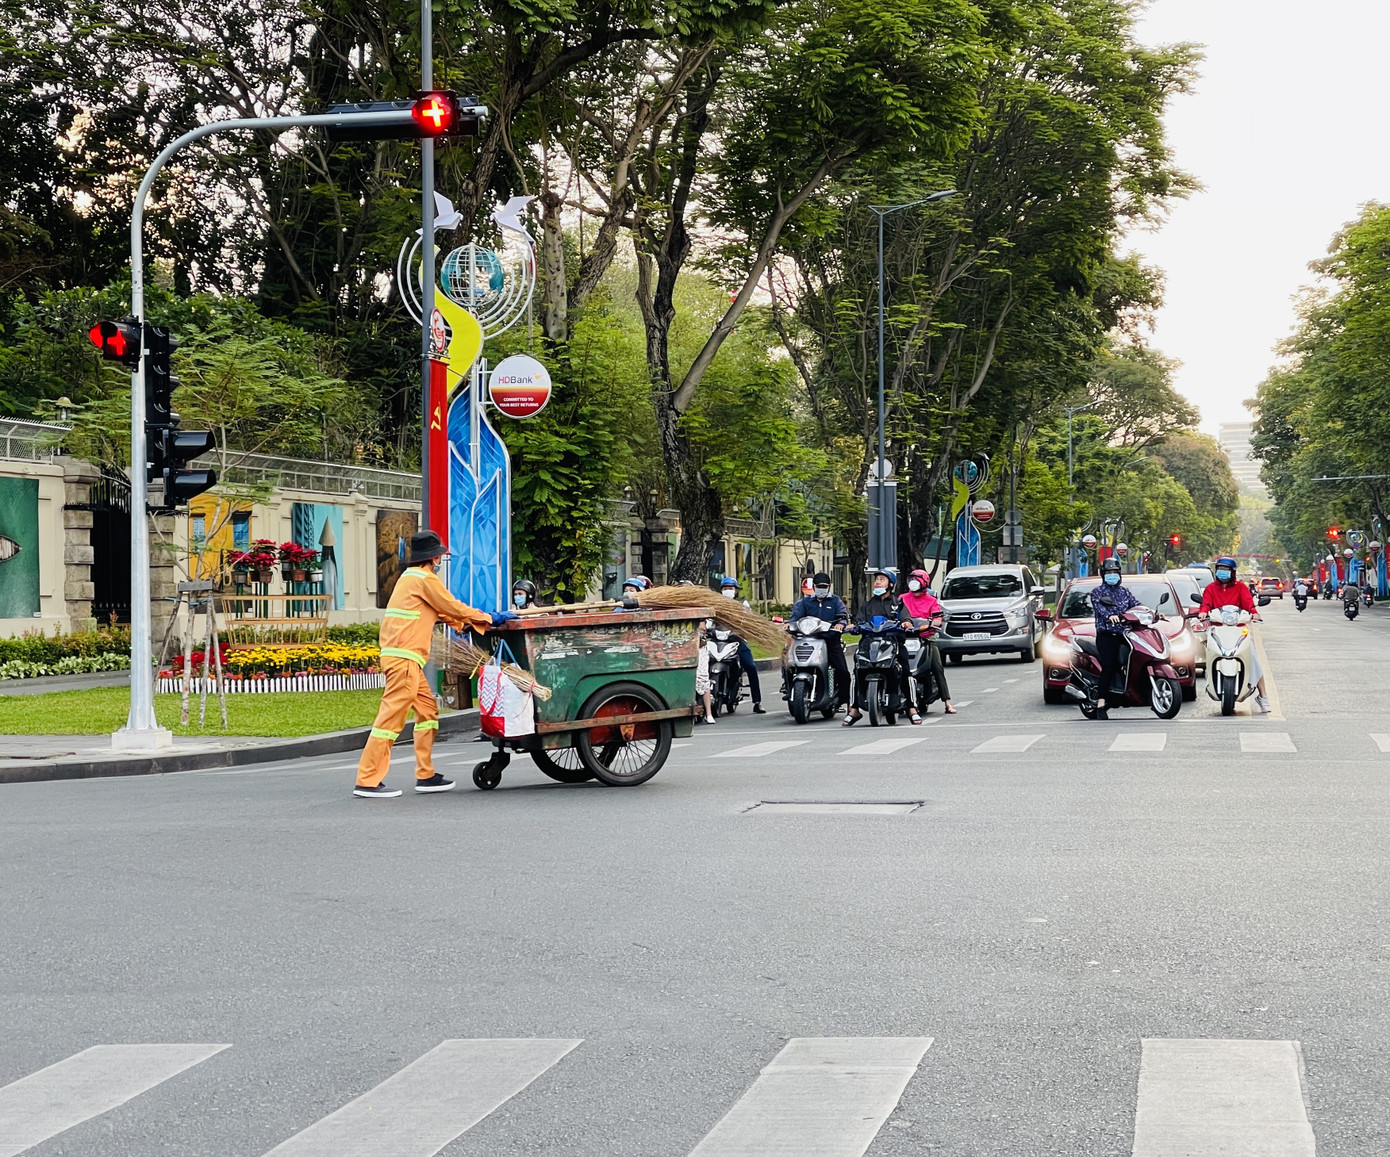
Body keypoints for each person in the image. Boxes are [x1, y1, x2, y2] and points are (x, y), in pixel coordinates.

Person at [354, 530, 516, 798]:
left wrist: (465, 624)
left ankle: (426, 775)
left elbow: (438, 612)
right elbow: (451, 606)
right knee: (389, 722)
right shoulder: (424, 579)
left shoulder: (411, 578)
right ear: (433, 558)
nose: (442, 560)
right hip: (404, 659)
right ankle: (368, 780)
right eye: (440, 556)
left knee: (428, 713)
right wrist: (488, 618)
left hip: (407, 660)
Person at [1199, 555, 1270, 713]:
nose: (1222, 572)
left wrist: (1254, 613)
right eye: (1220, 569)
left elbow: (1248, 604)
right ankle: (1210, 680)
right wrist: (1203, 613)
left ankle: (1263, 696)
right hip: (1217, 628)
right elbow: (1206, 604)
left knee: (1251, 657)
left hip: (1239, 629)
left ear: (1232, 572)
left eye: (1226, 570)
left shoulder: (1241, 588)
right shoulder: (1211, 588)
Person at [787, 571, 851, 710]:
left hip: (830, 640)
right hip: (808, 639)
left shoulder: (835, 601)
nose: (821, 589)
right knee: (787, 664)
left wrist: (841, 624)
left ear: (828, 587)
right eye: (819, 586)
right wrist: (789, 624)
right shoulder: (805, 602)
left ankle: (845, 700)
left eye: (824, 586)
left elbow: (842, 616)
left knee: (843, 671)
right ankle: (788, 688)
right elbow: (795, 618)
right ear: (814, 586)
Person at [898, 567, 956, 720]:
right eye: (911, 580)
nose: (913, 583)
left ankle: (947, 702)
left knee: (937, 666)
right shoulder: (902, 598)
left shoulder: (931, 600)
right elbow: (894, 614)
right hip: (904, 639)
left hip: (926, 638)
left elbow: (937, 618)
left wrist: (932, 624)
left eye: (916, 580)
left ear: (924, 583)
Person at [845, 568, 899, 726]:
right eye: (876, 580)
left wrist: (906, 623)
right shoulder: (867, 605)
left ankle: (911, 707)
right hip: (869, 643)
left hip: (891, 642)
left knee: (904, 668)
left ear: (890, 584)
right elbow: (858, 621)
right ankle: (854, 709)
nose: (877, 582)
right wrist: (853, 626)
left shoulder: (897, 603)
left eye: (881, 579)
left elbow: (905, 618)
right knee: (857, 670)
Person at [1089, 557, 1142, 718]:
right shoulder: (1097, 592)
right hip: (1107, 636)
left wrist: (1151, 613)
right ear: (1103, 574)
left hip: (1125, 635)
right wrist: (1111, 615)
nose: (1112, 575)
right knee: (1109, 666)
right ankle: (1101, 703)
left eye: (1115, 572)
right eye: (1109, 573)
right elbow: (1100, 608)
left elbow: (1136, 605)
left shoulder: (1124, 592)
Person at [718, 576, 765, 713]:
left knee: (750, 665)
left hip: (737, 639)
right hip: (719, 640)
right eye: (725, 588)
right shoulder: (715, 603)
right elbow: (708, 620)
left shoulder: (742, 603)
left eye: (730, 588)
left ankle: (757, 702)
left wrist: (744, 628)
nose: (728, 591)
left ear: (736, 591)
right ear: (721, 590)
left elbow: (749, 619)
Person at [696, 621, 715, 723]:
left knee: (703, 678)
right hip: (687, 649)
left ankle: (709, 714)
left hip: (701, 651)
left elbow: (703, 632)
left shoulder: (702, 621)